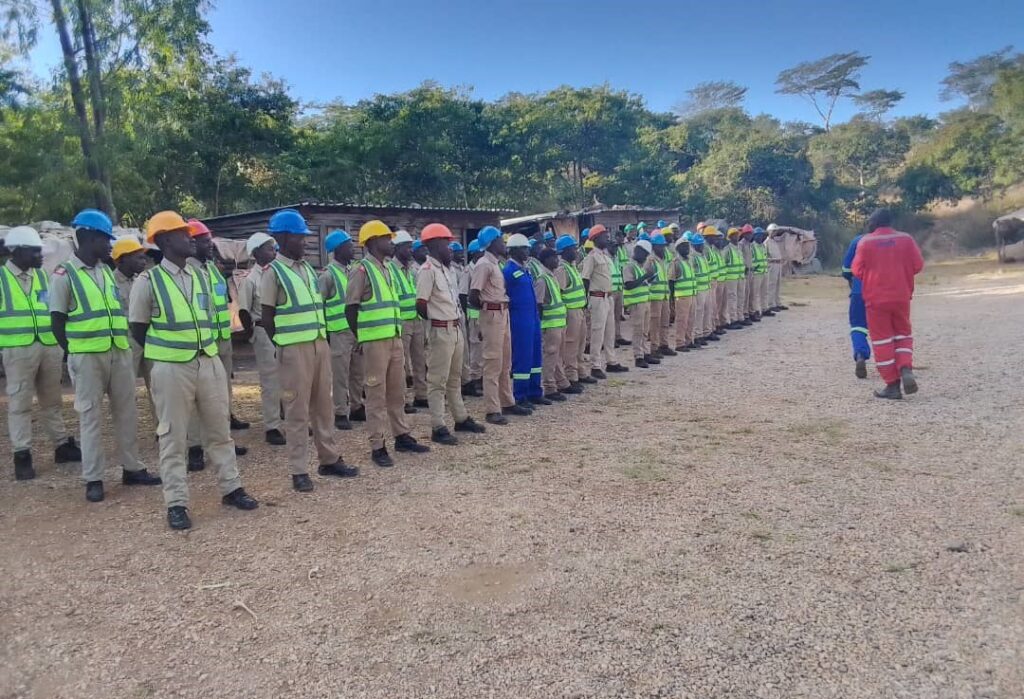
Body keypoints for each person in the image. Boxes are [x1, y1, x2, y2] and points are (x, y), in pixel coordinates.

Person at [129, 211, 258, 529]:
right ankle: (176, 503)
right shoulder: (148, 281)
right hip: (172, 368)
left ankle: (231, 488)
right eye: (182, 233)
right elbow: (138, 328)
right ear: (165, 240)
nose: (191, 238)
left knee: (219, 431)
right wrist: (169, 352)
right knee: (172, 437)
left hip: (208, 361)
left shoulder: (201, 276)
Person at [50, 209, 158, 502]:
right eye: (103, 239)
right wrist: (73, 352)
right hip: (87, 358)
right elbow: (57, 321)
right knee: (90, 417)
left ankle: (132, 468)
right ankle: (94, 478)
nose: (109, 245)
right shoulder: (65, 275)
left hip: (118, 352)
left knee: (127, 413)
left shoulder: (105, 273)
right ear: (85, 236)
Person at [261, 209, 354, 491]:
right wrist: (284, 344)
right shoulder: (273, 272)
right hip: (294, 349)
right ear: (283, 237)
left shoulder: (308, 270)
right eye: (300, 237)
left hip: (319, 344)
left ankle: (329, 459)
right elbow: (267, 316)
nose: (305, 242)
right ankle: (298, 469)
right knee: (297, 410)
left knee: (323, 407)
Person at [346, 220, 431, 465]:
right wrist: (361, 336)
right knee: (375, 394)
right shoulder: (362, 270)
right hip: (374, 342)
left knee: (397, 392)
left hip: (393, 339)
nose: (390, 242)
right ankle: (377, 445)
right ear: (372, 242)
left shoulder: (386, 269)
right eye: (386, 238)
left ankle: (401, 435)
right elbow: (351, 308)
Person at [1, 226, 80, 480]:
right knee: (19, 403)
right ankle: (22, 453)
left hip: (48, 346)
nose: (41, 256)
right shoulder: (2, 279)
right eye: (35, 251)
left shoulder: (44, 277)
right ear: (18, 252)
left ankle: (61, 445)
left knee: (52, 400)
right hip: (17, 348)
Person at [415, 223, 486, 445]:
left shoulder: (446, 270)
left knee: (455, 378)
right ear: (435, 245)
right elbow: (421, 304)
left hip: (455, 328)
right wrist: (436, 322)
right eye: (447, 244)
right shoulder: (426, 271)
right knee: (437, 381)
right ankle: (438, 426)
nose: (451, 249)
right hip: (440, 330)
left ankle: (460, 418)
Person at [185, 219, 247, 471]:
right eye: (205, 241)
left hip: (221, 340)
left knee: (222, 394)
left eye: (210, 240)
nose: (210, 245)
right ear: (191, 243)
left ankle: (222, 441)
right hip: (199, 345)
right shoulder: (186, 272)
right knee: (194, 400)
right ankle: (195, 447)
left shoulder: (212, 269)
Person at [851, 208, 924, 399]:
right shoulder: (906, 239)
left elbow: (857, 270)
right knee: (903, 334)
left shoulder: (865, 242)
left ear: (873, 223)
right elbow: (918, 265)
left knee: (882, 340)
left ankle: (892, 385)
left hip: (876, 299)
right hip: (901, 296)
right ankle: (905, 366)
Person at [469, 226, 522, 425]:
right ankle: (492, 409)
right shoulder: (484, 264)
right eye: (500, 239)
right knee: (492, 363)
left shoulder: (496, 264)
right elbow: (474, 295)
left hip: (502, 312)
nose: (504, 243)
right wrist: (487, 313)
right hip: (492, 314)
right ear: (491, 243)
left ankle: (507, 401)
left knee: (505, 361)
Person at [237, 232, 286, 444]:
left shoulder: (278, 273)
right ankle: (272, 426)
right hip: (263, 330)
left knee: (288, 377)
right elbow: (244, 312)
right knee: (271, 381)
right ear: (256, 253)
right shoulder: (250, 280)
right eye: (268, 248)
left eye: (274, 247)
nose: (273, 251)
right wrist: (253, 336)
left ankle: (290, 418)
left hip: (283, 330)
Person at [318, 229, 366, 431]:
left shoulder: (353, 271)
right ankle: (340, 412)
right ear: (337, 250)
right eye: (348, 245)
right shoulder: (328, 275)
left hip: (356, 330)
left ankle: (356, 406)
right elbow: (318, 305)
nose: (352, 248)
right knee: (340, 374)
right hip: (338, 333)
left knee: (358, 372)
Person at [111, 237, 154, 413]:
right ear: (122, 259)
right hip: (125, 342)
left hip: (146, 337)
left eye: (143, 258)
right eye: (138, 258)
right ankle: (127, 429)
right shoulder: (109, 282)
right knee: (126, 389)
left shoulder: (143, 281)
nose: (143, 262)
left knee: (157, 387)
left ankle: (162, 429)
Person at [580, 224, 628, 378]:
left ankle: (611, 361)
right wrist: (585, 300)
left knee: (609, 332)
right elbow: (585, 279)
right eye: (604, 236)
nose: (607, 238)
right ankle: (595, 365)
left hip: (608, 297)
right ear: (595, 238)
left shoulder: (606, 257)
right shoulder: (591, 257)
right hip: (597, 297)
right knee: (597, 332)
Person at [505, 233, 547, 409]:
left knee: (535, 356)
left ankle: (534, 391)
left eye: (527, 248)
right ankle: (520, 395)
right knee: (522, 357)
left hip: (532, 317)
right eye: (523, 248)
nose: (527, 252)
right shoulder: (507, 271)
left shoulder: (525, 269)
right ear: (513, 250)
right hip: (519, 319)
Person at [387, 231, 427, 413]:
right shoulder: (390, 269)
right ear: (397, 248)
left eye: (411, 246)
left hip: (416, 320)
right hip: (401, 321)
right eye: (407, 247)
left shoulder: (411, 270)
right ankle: (402, 400)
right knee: (401, 364)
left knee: (420, 360)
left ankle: (421, 395)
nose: (410, 250)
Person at [553, 235, 590, 393]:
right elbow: (559, 292)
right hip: (570, 311)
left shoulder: (572, 266)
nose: (576, 250)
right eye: (573, 248)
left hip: (579, 310)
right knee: (571, 344)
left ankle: (580, 371)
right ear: (565, 251)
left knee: (581, 343)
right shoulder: (562, 269)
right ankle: (570, 375)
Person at [533, 247, 570, 401]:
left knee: (558, 356)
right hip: (550, 324)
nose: (557, 260)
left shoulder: (552, 276)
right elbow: (538, 304)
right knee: (550, 355)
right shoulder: (542, 279)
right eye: (554, 257)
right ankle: (549, 386)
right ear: (546, 259)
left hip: (558, 323)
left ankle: (561, 382)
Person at [842, 233, 871, 379]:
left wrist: (852, 283)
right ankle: (896, 364)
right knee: (888, 328)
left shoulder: (857, 240)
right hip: (885, 291)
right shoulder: (895, 239)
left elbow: (846, 269)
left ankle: (860, 354)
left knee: (858, 326)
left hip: (859, 290)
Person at [622, 240, 654, 367]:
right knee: (638, 331)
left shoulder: (640, 267)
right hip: (636, 304)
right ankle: (638, 356)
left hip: (644, 301)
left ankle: (645, 352)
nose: (644, 256)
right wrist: (645, 277)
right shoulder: (629, 266)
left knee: (645, 330)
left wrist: (648, 278)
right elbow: (629, 285)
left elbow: (640, 283)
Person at [459, 239, 484, 397]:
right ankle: (475, 378)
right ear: (475, 253)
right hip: (474, 314)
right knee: (475, 348)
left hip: (483, 314)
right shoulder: (468, 271)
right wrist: (467, 314)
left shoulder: (482, 268)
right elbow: (463, 294)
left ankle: (481, 376)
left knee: (482, 349)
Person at [647, 233, 675, 357]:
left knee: (665, 321)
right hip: (654, 297)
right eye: (660, 246)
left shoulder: (662, 260)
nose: (663, 248)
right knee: (655, 323)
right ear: (654, 246)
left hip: (664, 296)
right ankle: (654, 347)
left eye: (663, 246)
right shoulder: (650, 261)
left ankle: (664, 344)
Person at [671, 236, 698, 352]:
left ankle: (688, 340)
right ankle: (680, 343)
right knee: (682, 320)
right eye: (684, 246)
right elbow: (671, 281)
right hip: (681, 296)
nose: (687, 248)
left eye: (688, 246)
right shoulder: (676, 263)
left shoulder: (689, 261)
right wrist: (671, 298)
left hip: (691, 294)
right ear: (678, 248)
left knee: (691, 319)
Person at [688, 232, 712, 347]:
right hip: (699, 288)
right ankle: (697, 335)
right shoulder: (692, 257)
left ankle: (704, 332)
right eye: (700, 245)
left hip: (706, 287)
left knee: (707, 310)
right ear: (694, 245)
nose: (702, 246)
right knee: (699, 312)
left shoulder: (702, 255)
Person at [723, 228, 746, 328]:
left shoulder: (739, 248)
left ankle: (740, 317)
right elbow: (723, 264)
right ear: (730, 237)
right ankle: (732, 320)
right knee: (732, 299)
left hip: (740, 277)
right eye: (733, 235)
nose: (736, 237)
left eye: (737, 235)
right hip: (731, 278)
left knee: (740, 297)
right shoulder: (727, 250)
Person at [612, 229, 630, 348]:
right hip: (610, 290)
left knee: (617, 315)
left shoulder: (617, 256)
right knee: (610, 317)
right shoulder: (606, 258)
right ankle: (611, 338)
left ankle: (618, 336)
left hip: (619, 287)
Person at [765, 224, 787, 312]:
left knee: (778, 284)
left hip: (778, 264)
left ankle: (777, 302)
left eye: (776, 231)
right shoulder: (766, 242)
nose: (775, 233)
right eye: (774, 231)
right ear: (770, 232)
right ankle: (770, 304)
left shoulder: (774, 242)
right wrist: (774, 260)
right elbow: (765, 257)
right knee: (771, 284)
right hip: (772, 265)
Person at [751, 227, 770, 318]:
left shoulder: (763, 246)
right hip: (756, 273)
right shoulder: (752, 247)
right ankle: (756, 310)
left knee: (765, 291)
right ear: (754, 236)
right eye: (758, 235)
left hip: (764, 271)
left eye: (761, 235)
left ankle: (765, 308)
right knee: (756, 293)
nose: (760, 237)